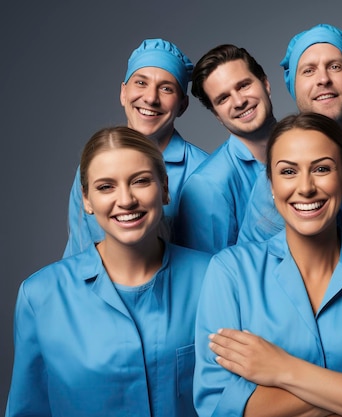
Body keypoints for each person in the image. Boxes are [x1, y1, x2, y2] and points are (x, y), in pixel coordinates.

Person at [193, 112, 342, 416]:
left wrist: (282, 369)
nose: (305, 187)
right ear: (272, 185)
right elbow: (219, 407)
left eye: (321, 169)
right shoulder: (230, 272)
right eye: (288, 171)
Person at [6, 127, 212, 416]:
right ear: (87, 199)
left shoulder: (213, 278)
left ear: (164, 188)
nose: (126, 200)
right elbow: (28, 409)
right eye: (106, 187)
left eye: (140, 181)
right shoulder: (40, 296)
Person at [238, 23, 342, 247]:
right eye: (308, 70)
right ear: (293, 87)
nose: (323, 79)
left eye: (335, 66)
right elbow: (252, 255)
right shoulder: (276, 169)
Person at [63, 38, 210, 257]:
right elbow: (79, 252)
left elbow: (214, 268)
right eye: (141, 83)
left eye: (166, 88)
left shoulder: (206, 174)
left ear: (182, 105)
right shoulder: (95, 166)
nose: (151, 98)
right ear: (123, 93)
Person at [172, 44, 276, 254]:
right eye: (223, 98)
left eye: (244, 85)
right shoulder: (206, 186)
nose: (239, 101)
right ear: (217, 115)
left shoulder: (310, 147)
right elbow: (211, 277)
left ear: (265, 83)